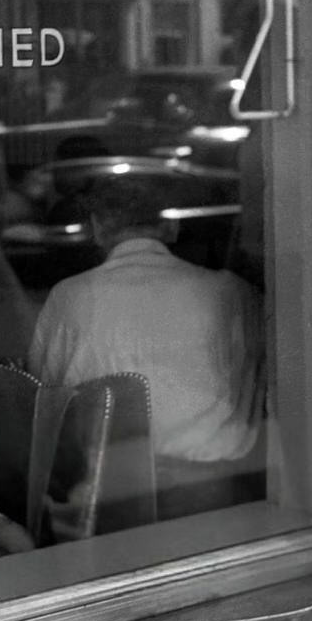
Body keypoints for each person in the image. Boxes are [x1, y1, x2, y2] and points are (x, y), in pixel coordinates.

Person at [28, 177, 264, 515]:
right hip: (218, 495)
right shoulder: (234, 292)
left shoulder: (70, 297)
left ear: (96, 229)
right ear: (171, 226)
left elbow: (46, 397)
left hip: (111, 499)